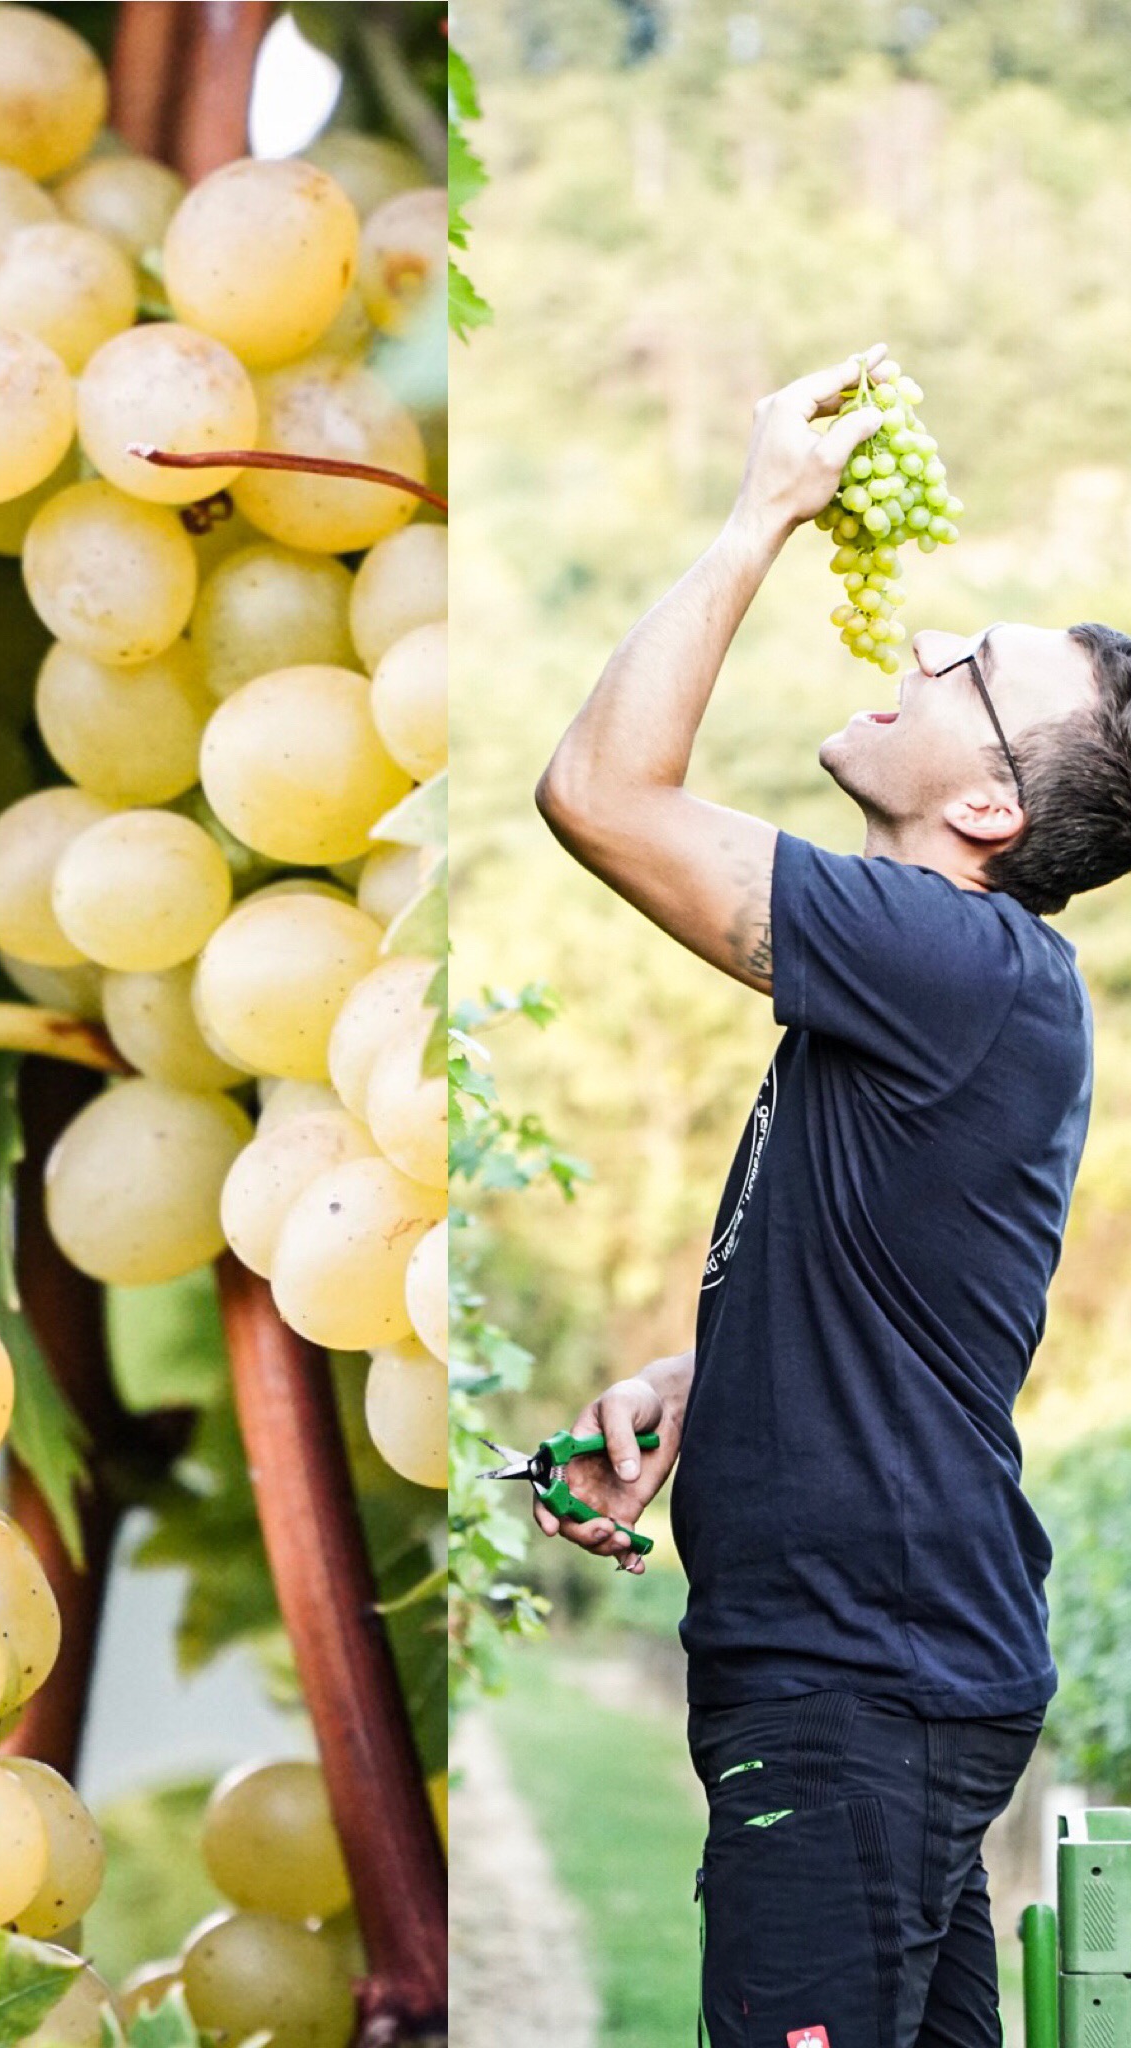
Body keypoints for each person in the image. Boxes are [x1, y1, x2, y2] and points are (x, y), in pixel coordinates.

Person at [532, 346, 1131, 2048]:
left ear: (992, 806)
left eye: (971, 670)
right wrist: (688, 1395)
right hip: (894, 1681)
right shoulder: (929, 995)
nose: (924, 644)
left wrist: (758, 520)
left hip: (861, 1690)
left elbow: (598, 798)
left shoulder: (952, 955)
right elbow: (886, 1323)